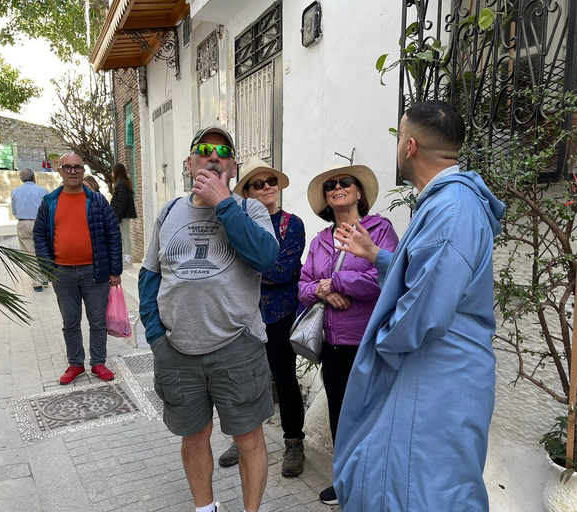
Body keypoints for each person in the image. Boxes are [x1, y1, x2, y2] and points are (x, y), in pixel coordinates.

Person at [331, 100, 506, 511]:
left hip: (436, 374)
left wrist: (380, 345)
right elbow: (428, 276)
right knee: (398, 481)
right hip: (431, 368)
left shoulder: (453, 208)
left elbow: (425, 306)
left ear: (409, 147)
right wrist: (376, 255)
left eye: (397, 138)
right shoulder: (445, 202)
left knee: (424, 491)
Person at [138, 127, 279, 512]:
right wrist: (156, 337)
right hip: (178, 350)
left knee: (249, 440)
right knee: (194, 438)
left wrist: (223, 203)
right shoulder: (168, 212)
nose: (213, 156)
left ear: (233, 166)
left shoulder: (249, 209)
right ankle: (206, 508)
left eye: (223, 151)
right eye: (203, 150)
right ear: (189, 163)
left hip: (237, 348)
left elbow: (266, 257)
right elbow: (150, 275)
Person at [298, 163, 399, 506]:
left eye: (345, 183)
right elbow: (303, 286)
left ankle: (373, 485)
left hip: (369, 340)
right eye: (331, 186)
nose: (337, 188)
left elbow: (388, 276)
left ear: (358, 192)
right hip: (334, 344)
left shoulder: (379, 230)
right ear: (327, 199)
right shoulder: (321, 240)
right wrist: (324, 291)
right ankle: (345, 482)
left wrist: (338, 282)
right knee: (341, 413)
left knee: (371, 414)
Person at [217, 156, 307, 476]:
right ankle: (243, 440)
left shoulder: (291, 224)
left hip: (279, 314)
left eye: (271, 182)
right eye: (259, 183)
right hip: (244, 313)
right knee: (244, 381)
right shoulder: (239, 224)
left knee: (283, 379)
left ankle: (294, 441)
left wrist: (249, 267)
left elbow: (281, 271)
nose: (267, 187)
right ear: (248, 193)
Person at [33, 153, 122, 385]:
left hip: (95, 272)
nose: (73, 172)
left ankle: (98, 363)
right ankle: (75, 364)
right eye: (68, 167)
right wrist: (48, 267)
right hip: (62, 273)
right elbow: (39, 235)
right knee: (70, 322)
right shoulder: (50, 202)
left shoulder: (96, 200)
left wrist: (115, 270)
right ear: (60, 171)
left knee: (97, 321)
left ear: (83, 171)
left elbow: (113, 234)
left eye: (78, 168)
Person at [10, 168, 49, 291]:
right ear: (34, 177)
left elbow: (14, 211)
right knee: (43, 250)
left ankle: (36, 282)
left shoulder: (15, 191)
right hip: (40, 223)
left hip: (23, 223)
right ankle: (44, 277)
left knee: (29, 253)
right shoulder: (43, 191)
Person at [110, 163, 138, 265]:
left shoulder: (121, 184)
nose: (112, 173)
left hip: (123, 215)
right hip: (122, 215)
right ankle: (126, 258)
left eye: (113, 171)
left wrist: (117, 217)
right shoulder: (123, 183)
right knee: (124, 236)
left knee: (125, 236)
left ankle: (127, 259)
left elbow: (121, 202)